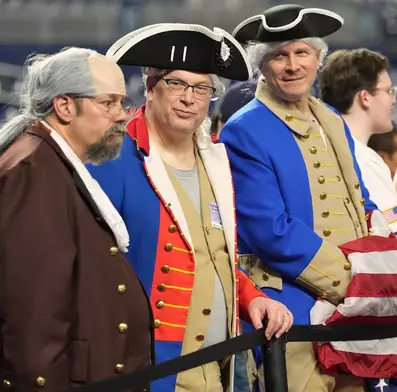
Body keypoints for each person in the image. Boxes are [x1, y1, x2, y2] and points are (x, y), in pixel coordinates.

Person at [87, 23, 293, 392]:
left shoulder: (215, 158)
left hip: (218, 367)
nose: (189, 99)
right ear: (150, 87)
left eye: (202, 89)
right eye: (177, 84)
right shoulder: (115, 157)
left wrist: (252, 299)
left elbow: (212, 255)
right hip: (152, 367)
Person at [222, 5, 397, 392]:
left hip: (355, 309)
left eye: (302, 53)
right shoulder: (244, 130)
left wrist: (383, 261)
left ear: (318, 58)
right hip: (295, 309)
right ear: (263, 65)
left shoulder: (331, 119)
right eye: (279, 55)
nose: (292, 65)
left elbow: (361, 203)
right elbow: (271, 233)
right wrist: (354, 282)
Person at [0, 47, 153, 392]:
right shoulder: (34, 172)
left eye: (122, 103)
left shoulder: (45, 162)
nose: (121, 115)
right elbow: (34, 317)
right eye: (107, 103)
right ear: (65, 106)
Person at [318, 48, 397, 258]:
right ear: (365, 98)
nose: (393, 100)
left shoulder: (320, 146)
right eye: (388, 91)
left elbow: (393, 218)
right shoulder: (362, 160)